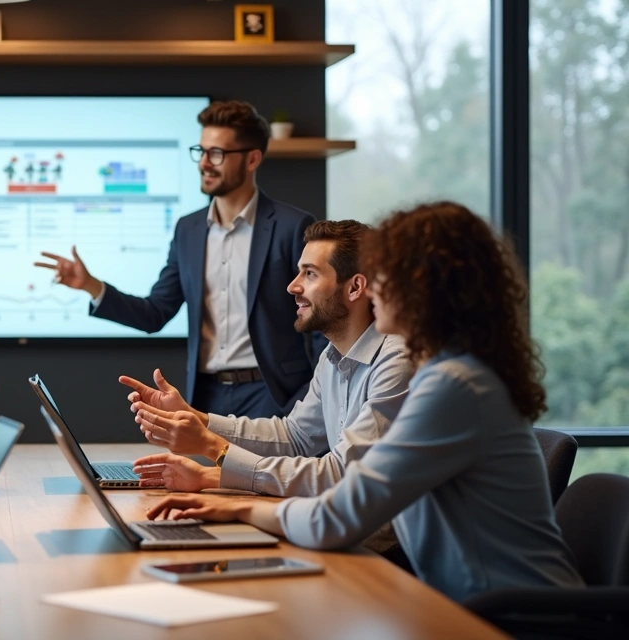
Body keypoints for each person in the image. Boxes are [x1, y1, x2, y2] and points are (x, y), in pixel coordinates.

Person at [145, 202, 584, 602]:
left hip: (515, 619)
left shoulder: (450, 385)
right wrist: (203, 431)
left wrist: (229, 497)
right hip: (462, 604)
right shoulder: (449, 373)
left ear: (424, 287)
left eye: (385, 272)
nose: (373, 288)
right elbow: (301, 441)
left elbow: (337, 513)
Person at [36, 100, 325, 418]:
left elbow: (320, 318)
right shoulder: (188, 229)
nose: (204, 163)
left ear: (252, 158)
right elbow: (155, 313)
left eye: (217, 153)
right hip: (205, 397)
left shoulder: (292, 226)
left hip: (274, 395)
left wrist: (316, 394)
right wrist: (92, 286)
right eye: (200, 151)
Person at [124, 221, 414, 510]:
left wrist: (211, 446)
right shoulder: (331, 356)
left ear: (354, 288)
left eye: (310, 274)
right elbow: (295, 437)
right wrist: (198, 419)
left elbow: (340, 475)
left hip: (385, 551)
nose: (293, 286)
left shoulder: (396, 362)